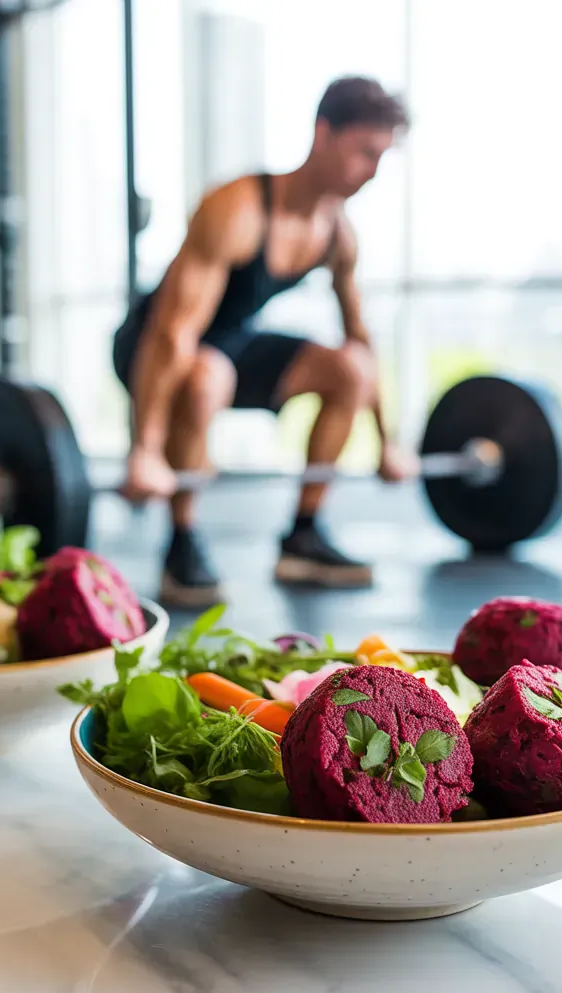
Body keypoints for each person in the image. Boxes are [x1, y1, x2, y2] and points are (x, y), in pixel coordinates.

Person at [113, 76, 416, 607]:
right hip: (152, 348)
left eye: (380, 158)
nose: (371, 171)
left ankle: (304, 533)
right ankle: (181, 542)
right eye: (364, 152)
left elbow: (360, 340)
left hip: (232, 345)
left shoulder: (337, 234)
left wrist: (388, 441)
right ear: (324, 132)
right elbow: (172, 330)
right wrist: (145, 449)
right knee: (207, 373)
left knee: (349, 369)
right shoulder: (238, 208)